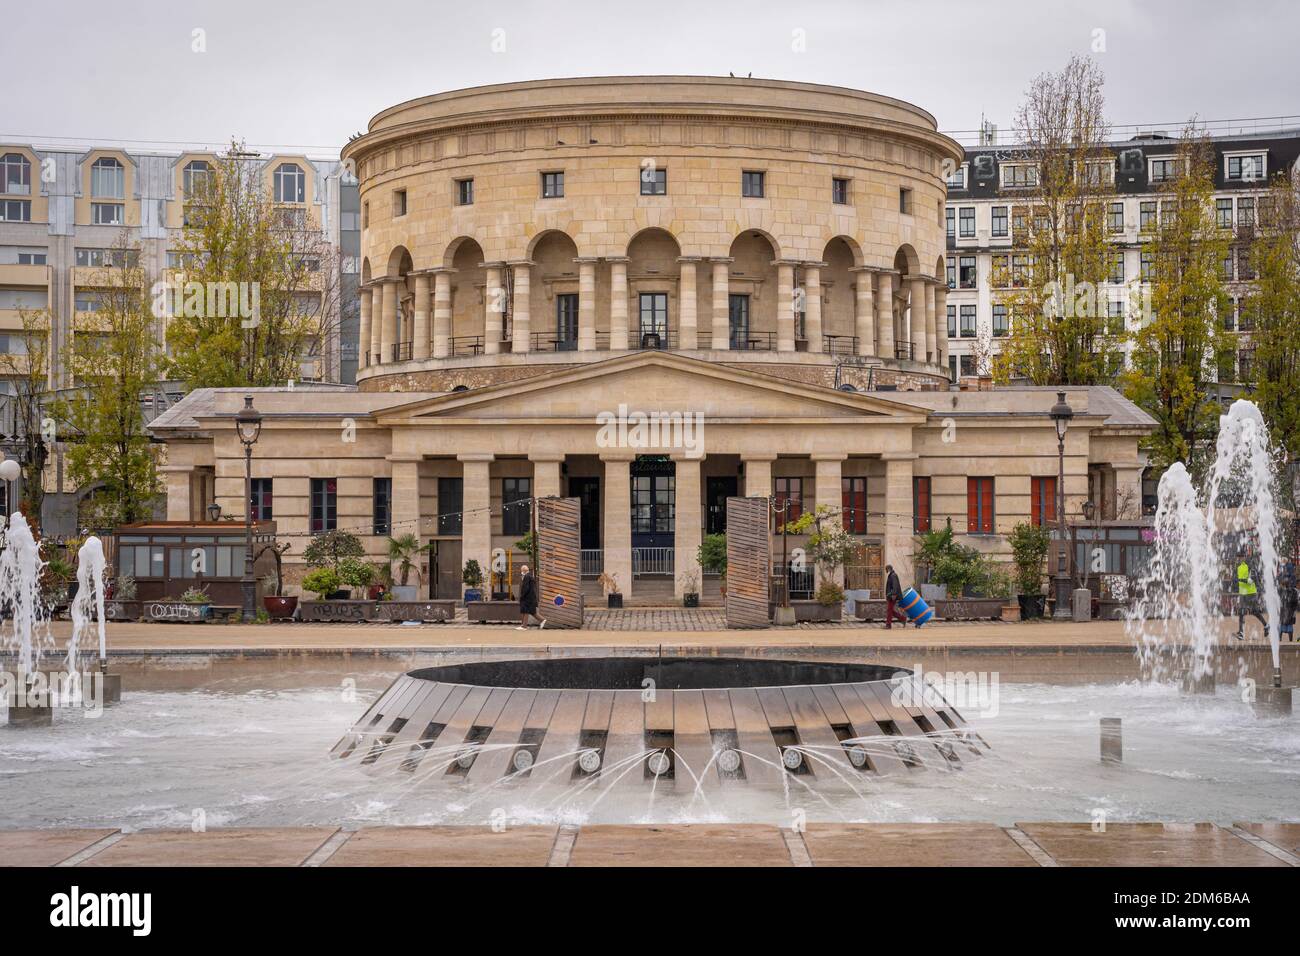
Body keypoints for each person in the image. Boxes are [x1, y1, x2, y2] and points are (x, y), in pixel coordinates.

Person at [1234, 553, 1266, 641]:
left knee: (1254, 612)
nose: (1239, 559)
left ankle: (1266, 625)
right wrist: (1235, 583)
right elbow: (1238, 580)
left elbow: (1250, 581)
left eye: (1240, 557)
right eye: (1238, 557)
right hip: (1243, 593)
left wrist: (1239, 580)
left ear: (1244, 557)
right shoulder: (1239, 567)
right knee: (1241, 612)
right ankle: (1241, 633)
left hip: (1251, 593)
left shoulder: (1250, 566)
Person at [516, 564, 547, 630]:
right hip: (531, 598)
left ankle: (524, 626)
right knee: (532, 612)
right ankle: (542, 620)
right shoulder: (530, 576)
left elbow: (526, 588)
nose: (521, 572)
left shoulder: (527, 576)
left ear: (523, 570)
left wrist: (522, 596)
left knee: (526, 610)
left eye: (521, 570)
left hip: (528, 598)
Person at [883, 563, 910, 629]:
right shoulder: (891, 575)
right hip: (891, 595)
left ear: (889, 569)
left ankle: (888, 625)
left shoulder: (893, 575)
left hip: (893, 596)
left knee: (889, 610)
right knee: (890, 610)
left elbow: (895, 585)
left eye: (886, 569)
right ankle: (903, 619)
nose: (886, 570)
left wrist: (894, 594)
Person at [1281, 565, 1298, 643]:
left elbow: (1295, 602)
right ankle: (1280, 641)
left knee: (1288, 626)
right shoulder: (1283, 590)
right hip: (1284, 610)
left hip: (1289, 610)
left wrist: (1294, 611)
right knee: (1282, 626)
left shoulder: (1292, 591)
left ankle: (1290, 642)